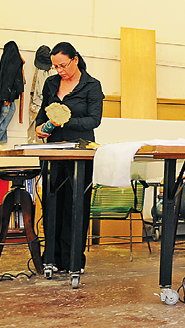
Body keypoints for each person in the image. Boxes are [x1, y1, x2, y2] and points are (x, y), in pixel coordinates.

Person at [35, 42, 104, 273]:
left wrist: (63, 121)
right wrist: (40, 127)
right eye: (55, 66)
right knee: (52, 203)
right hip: (53, 152)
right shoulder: (51, 83)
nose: (59, 70)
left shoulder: (91, 86)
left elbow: (93, 120)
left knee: (76, 204)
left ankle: (73, 259)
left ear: (75, 59)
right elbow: (43, 111)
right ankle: (50, 259)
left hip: (81, 152)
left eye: (63, 65)